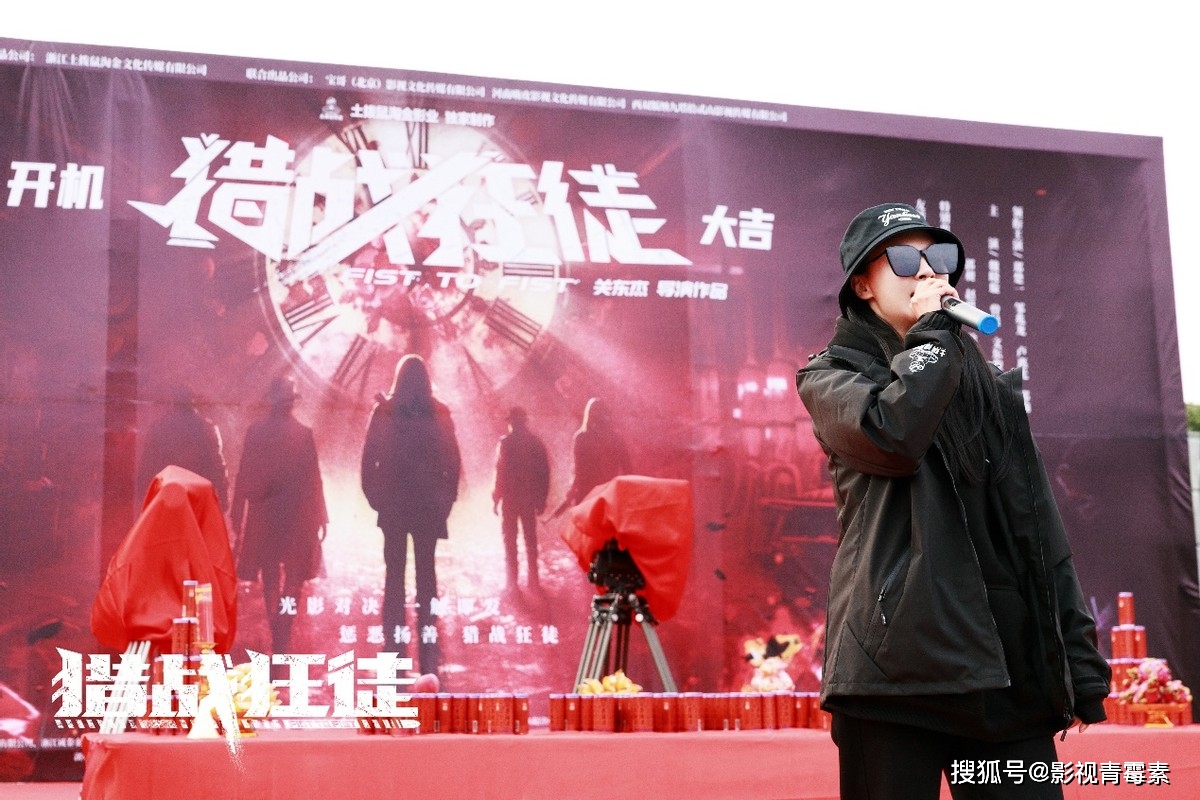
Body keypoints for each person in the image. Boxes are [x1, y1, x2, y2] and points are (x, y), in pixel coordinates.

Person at [794, 203, 1110, 800]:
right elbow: (893, 437)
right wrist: (933, 337)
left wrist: (1077, 661)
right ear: (862, 285)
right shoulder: (830, 376)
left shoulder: (989, 391)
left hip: (1003, 672)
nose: (928, 272)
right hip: (895, 672)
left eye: (939, 258)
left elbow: (1038, 528)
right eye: (903, 259)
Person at [361, 354, 461, 676]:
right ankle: (428, 649)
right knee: (426, 574)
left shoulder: (385, 411)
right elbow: (453, 461)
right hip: (428, 506)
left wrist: (375, 497)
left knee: (394, 574)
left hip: (393, 504)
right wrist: (446, 499)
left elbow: (369, 458)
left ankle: (394, 646)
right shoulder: (440, 412)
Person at [231, 376, 327, 655]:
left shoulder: (255, 433)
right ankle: (284, 624)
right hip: (297, 517)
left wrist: (238, 512)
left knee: (270, 572)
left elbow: (244, 475)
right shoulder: (303, 434)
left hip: (265, 514)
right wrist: (321, 516)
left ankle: (277, 626)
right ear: (292, 403)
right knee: (295, 575)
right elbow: (313, 480)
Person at [137, 385, 230, 512]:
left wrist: (143, 498)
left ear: (173, 401)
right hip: (197, 496)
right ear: (193, 402)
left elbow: (147, 466)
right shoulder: (206, 428)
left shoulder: (158, 427)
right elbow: (218, 466)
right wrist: (223, 499)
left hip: (166, 494)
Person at [492, 406, 551, 593]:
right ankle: (533, 580)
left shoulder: (505, 443)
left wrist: (496, 497)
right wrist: (541, 499)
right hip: (529, 498)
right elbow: (544, 474)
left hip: (510, 499)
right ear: (524, 422)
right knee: (530, 540)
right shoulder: (536, 443)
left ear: (511, 422)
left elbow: (500, 472)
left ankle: (512, 582)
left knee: (510, 541)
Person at [562, 397, 632, 511]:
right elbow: (628, 469)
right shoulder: (616, 438)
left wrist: (572, 489)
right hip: (608, 493)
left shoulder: (582, 437)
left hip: (587, 494)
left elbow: (578, 470)